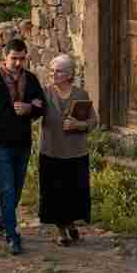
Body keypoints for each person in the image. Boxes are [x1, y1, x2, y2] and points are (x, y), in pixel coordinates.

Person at [0, 38, 45, 255]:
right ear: (4, 58)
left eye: (21, 58)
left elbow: (41, 105)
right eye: (14, 58)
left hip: (23, 143)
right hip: (1, 145)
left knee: (16, 189)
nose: (18, 63)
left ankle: (2, 221)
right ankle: (11, 234)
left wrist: (30, 108)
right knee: (6, 189)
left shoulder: (32, 80)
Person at [39, 54, 97, 246]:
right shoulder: (45, 93)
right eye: (52, 70)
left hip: (75, 152)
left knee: (73, 192)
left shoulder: (81, 94)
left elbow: (93, 121)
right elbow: (33, 112)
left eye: (59, 71)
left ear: (70, 73)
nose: (54, 74)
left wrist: (78, 125)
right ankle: (61, 231)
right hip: (51, 151)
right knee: (55, 193)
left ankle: (71, 223)